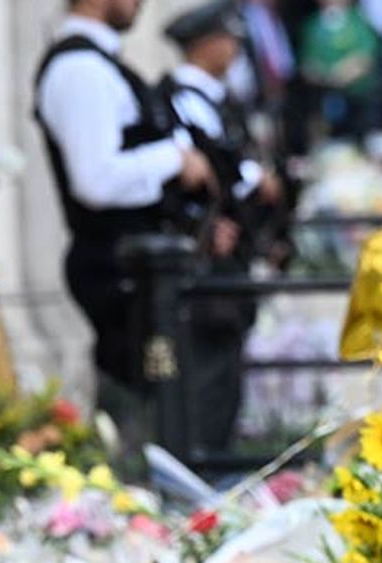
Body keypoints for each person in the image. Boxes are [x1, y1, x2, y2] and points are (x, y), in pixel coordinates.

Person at [34, 0, 215, 444]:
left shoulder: (101, 62)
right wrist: (173, 159)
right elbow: (95, 180)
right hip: (114, 263)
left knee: (161, 401)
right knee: (138, 407)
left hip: (137, 262)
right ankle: (133, 496)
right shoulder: (79, 68)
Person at [160, 1, 283, 462]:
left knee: (228, 354)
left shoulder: (216, 97)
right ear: (205, 44)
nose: (233, 48)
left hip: (235, 244)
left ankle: (220, 449)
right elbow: (196, 173)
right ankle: (207, 454)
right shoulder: (180, 98)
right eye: (226, 39)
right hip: (208, 247)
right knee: (210, 359)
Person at [300, 0, 382, 139]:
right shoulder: (312, 25)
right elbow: (307, 65)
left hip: (360, 98)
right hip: (324, 101)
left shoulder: (359, 20)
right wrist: (326, 75)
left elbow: (367, 56)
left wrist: (343, 73)